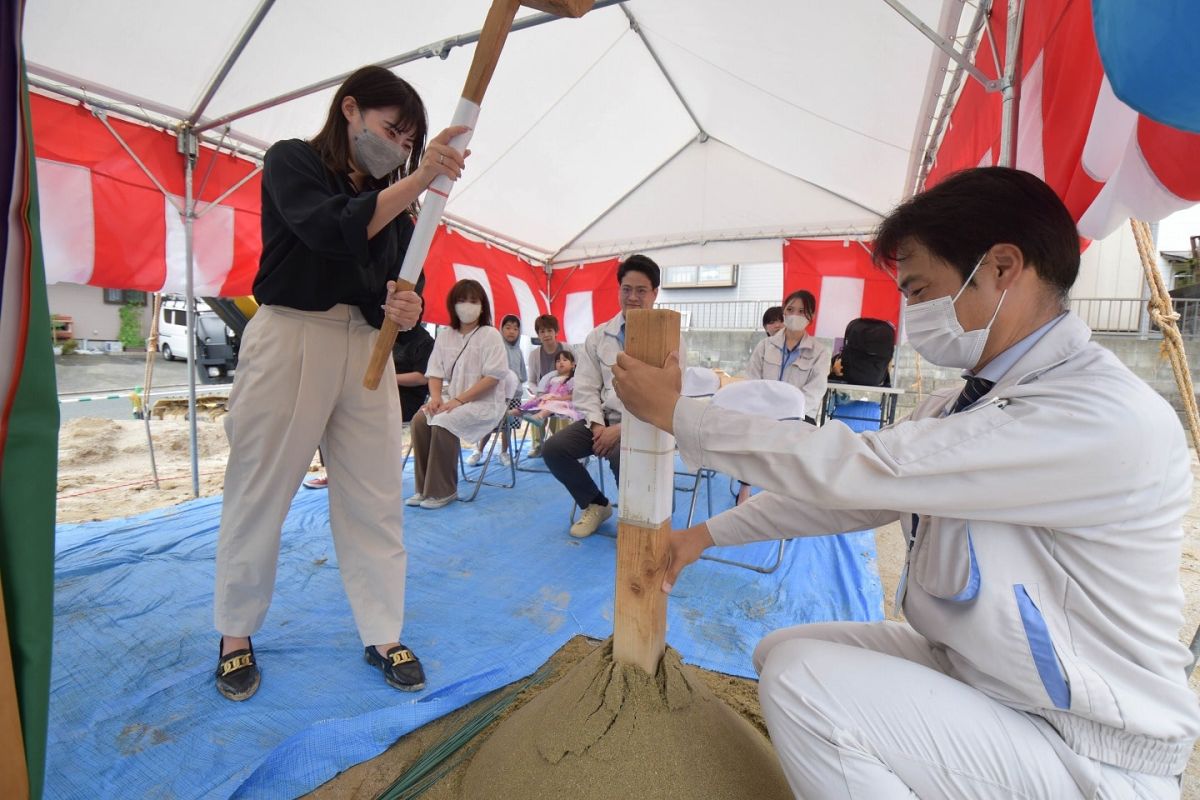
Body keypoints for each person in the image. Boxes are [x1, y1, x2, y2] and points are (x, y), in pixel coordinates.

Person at [612, 167, 1200, 799]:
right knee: (779, 650)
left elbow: (865, 466)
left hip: (1082, 740)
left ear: (1002, 267)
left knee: (805, 687)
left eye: (920, 289)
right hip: (982, 675)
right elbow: (858, 496)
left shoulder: (1097, 413)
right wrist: (702, 534)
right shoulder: (963, 404)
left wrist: (682, 416)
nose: (911, 312)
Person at [213, 65, 470, 701]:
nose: (399, 148)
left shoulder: (399, 206)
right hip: (290, 336)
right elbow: (330, 229)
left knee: (376, 494)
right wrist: (418, 175)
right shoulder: (292, 162)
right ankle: (235, 634)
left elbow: (404, 283)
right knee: (260, 487)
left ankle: (383, 632)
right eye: (392, 130)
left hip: (365, 350)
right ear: (349, 110)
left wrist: (406, 307)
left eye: (410, 142)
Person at [543, 254, 660, 538]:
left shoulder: (667, 336)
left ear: (654, 294)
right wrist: (598, 427)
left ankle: (636, 521)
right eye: (626, 289)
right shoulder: (598, 336)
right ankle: (596, 503)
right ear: (618, 290)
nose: (633, 297)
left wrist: (620, 431)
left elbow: (664, 398)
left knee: (622, 453)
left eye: (641, 290)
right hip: (603, 421)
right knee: (554, 449)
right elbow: (585, 387)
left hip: (647, 424)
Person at [408, 279, 508, 509]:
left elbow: (492, 378)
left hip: (485, 403)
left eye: (473, 301)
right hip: (452, 402)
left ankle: (443, 490)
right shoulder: (445, 335)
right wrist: (435, 398)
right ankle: (423, 489)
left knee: (443, 422)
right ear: (453, 305)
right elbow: (434, 371)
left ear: (482, 306)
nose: (467, 306)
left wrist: (457, 401)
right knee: (420, 420)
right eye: (462, 300)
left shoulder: (490, 335)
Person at [737, 291, 831, 503]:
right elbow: (752, 380)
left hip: (797, 417)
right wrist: (765, 410)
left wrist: (787, 413)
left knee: (794, 453)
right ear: (783, 311)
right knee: (748, 435)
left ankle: (786, 499)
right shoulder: (765, 346)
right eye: (790, 310)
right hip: (763, 412)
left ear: (811, 316)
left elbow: (815, 391)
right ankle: (745, 489)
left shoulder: (819, 352)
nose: (794, 315)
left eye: (801, 311)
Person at [468, 313, 526, 467]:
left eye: (515, 328)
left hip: (514, 396)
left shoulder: (519, 351)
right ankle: (479, 451)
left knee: (507, 425)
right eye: (508, 327)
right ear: (501, 329)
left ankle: (504, 452)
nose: (511, 331)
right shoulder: (496, 348)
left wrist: (517, 388)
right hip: (495, 394)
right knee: (489, 423)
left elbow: (522, 376)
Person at [525, 314, 570, 458]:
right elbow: (531, 380)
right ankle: (537, 445)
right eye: (542, 331)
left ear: (556, 331)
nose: (546, 334)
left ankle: (561, 446)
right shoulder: (534, 355)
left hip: (564, 394)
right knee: (534, 407)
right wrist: (538, 392)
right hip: (542, 394)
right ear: (538, 334)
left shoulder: (567, 349)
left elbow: (578, 373)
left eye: (549, 330)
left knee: (560, 409)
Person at [392, 292, 435, 423]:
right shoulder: (389, 334)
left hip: (408, 398)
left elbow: (422, 377)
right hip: (384, 390)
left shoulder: (426, 342)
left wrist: (389, 378)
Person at [517, 349, 579, 422]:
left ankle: (539, 417)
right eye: (558, 361)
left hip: (564, 402)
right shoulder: (552, 379)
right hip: (551, 399)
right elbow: (546, 391)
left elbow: (573, 396)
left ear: (572, 365)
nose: (561, 362)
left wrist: (557, 399)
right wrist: (544, 397)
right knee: (535, 401)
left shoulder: (572, 380)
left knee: (553, 404)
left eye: (565, 360)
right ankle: (515, 413)